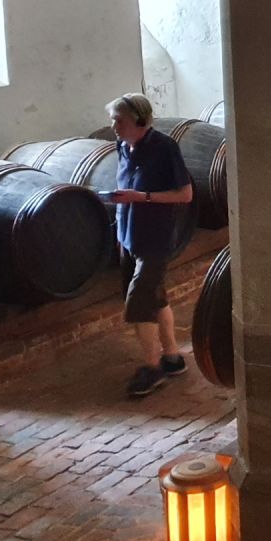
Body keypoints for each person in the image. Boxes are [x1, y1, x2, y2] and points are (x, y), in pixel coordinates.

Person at [105, 94, 195, 397]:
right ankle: (172, 357)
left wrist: (141, 197)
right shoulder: (122, 146)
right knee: (155, 296)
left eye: (119, 121)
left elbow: (185, 195)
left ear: (139, 121)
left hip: (155, 236)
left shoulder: (164, 147)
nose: (114, 126)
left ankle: (151, 367)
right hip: (128, 234)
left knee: (139, 301)